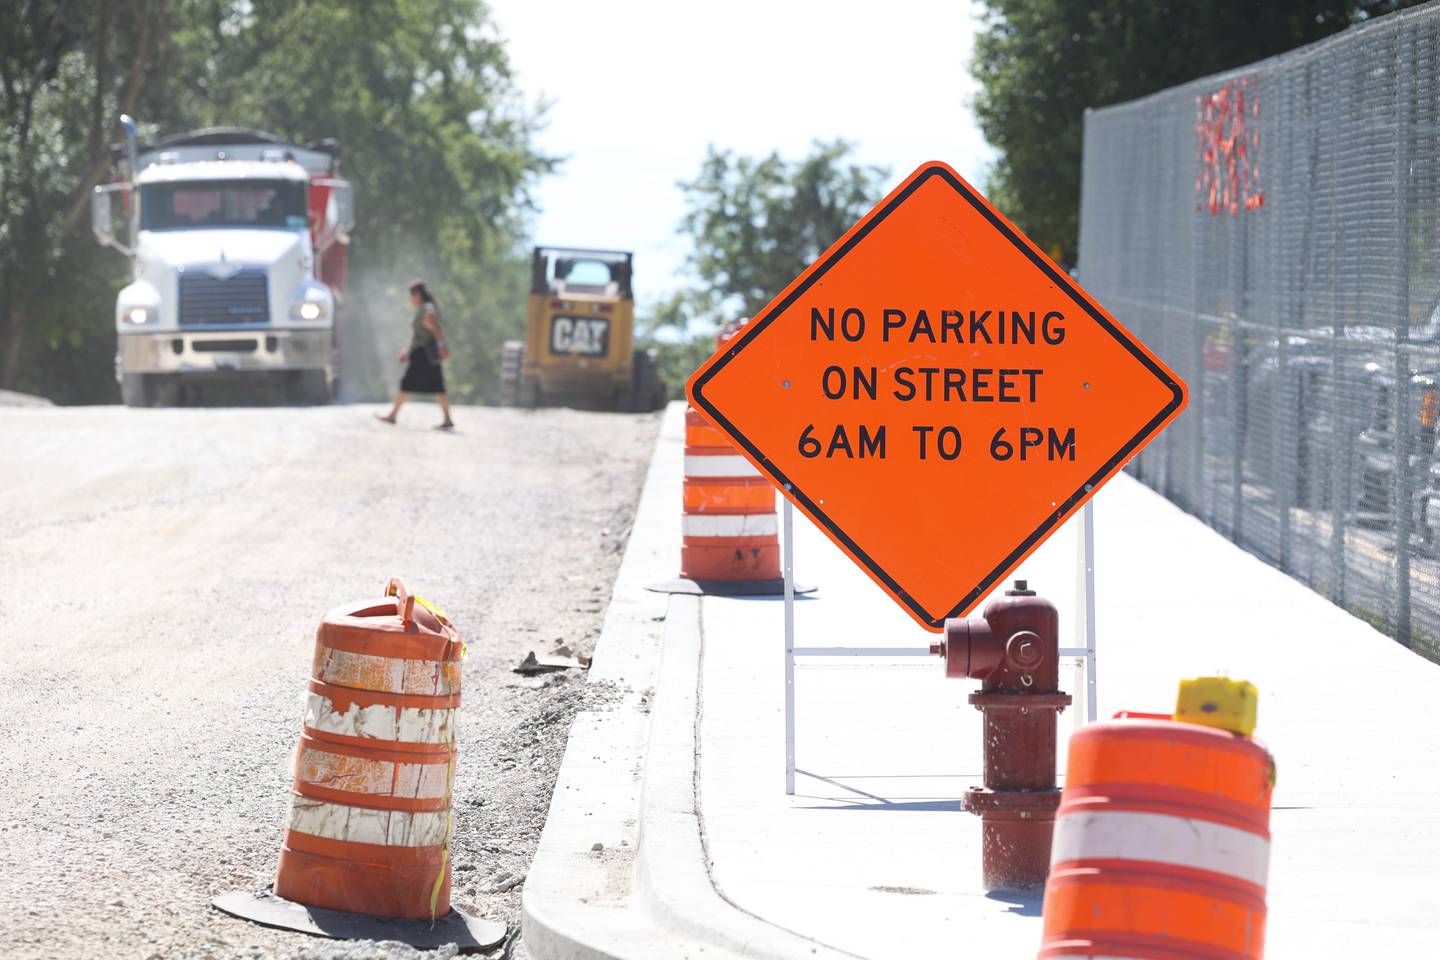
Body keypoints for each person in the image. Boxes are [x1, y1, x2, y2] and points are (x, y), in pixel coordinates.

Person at [377, 280, 455, 429]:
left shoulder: (426, 308)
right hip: (425, 353)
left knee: (408, 383)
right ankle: (447, 419)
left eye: (412, 294)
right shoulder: (423, 307)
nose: (411, 298)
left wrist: (441, 345)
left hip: (424, 354)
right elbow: (419, 334)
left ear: (418, 294)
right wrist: (407, 349)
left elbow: (435, 326)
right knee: (437, 386)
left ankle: (393, 415)